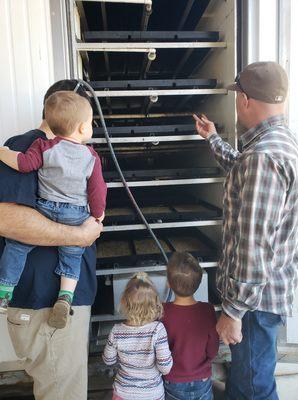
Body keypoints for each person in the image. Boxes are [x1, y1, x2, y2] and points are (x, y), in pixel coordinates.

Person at [193, 61, 298, 399]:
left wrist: (233, 311)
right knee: (246, 377)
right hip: (264, 296)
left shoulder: (263, 158)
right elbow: (243, 171)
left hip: (253, 305)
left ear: (245, 100)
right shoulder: (279, 144)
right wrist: (213, 139)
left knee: (254, 387)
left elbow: (255, 246)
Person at [0, 79, 103, 400]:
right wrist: (82, 233)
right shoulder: (27, 145)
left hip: (54, 306)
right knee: (62, 392)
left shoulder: (71, 152)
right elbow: (8, 220)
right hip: (45, 305)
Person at [103, 272, 173, 400]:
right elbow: (165, 368)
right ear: (155, 303)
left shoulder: (116, 331)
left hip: (123, 393)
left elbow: (108, 360)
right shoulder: (157, 330)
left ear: (124, 302)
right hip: (151, 394)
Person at [162, 252, 219, 400]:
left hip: (173, 379)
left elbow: (160, 349)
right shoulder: (207, 310)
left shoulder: (163, 312)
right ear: (200, 281)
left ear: (168, 282)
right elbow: (213, 349)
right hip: (202, 378)